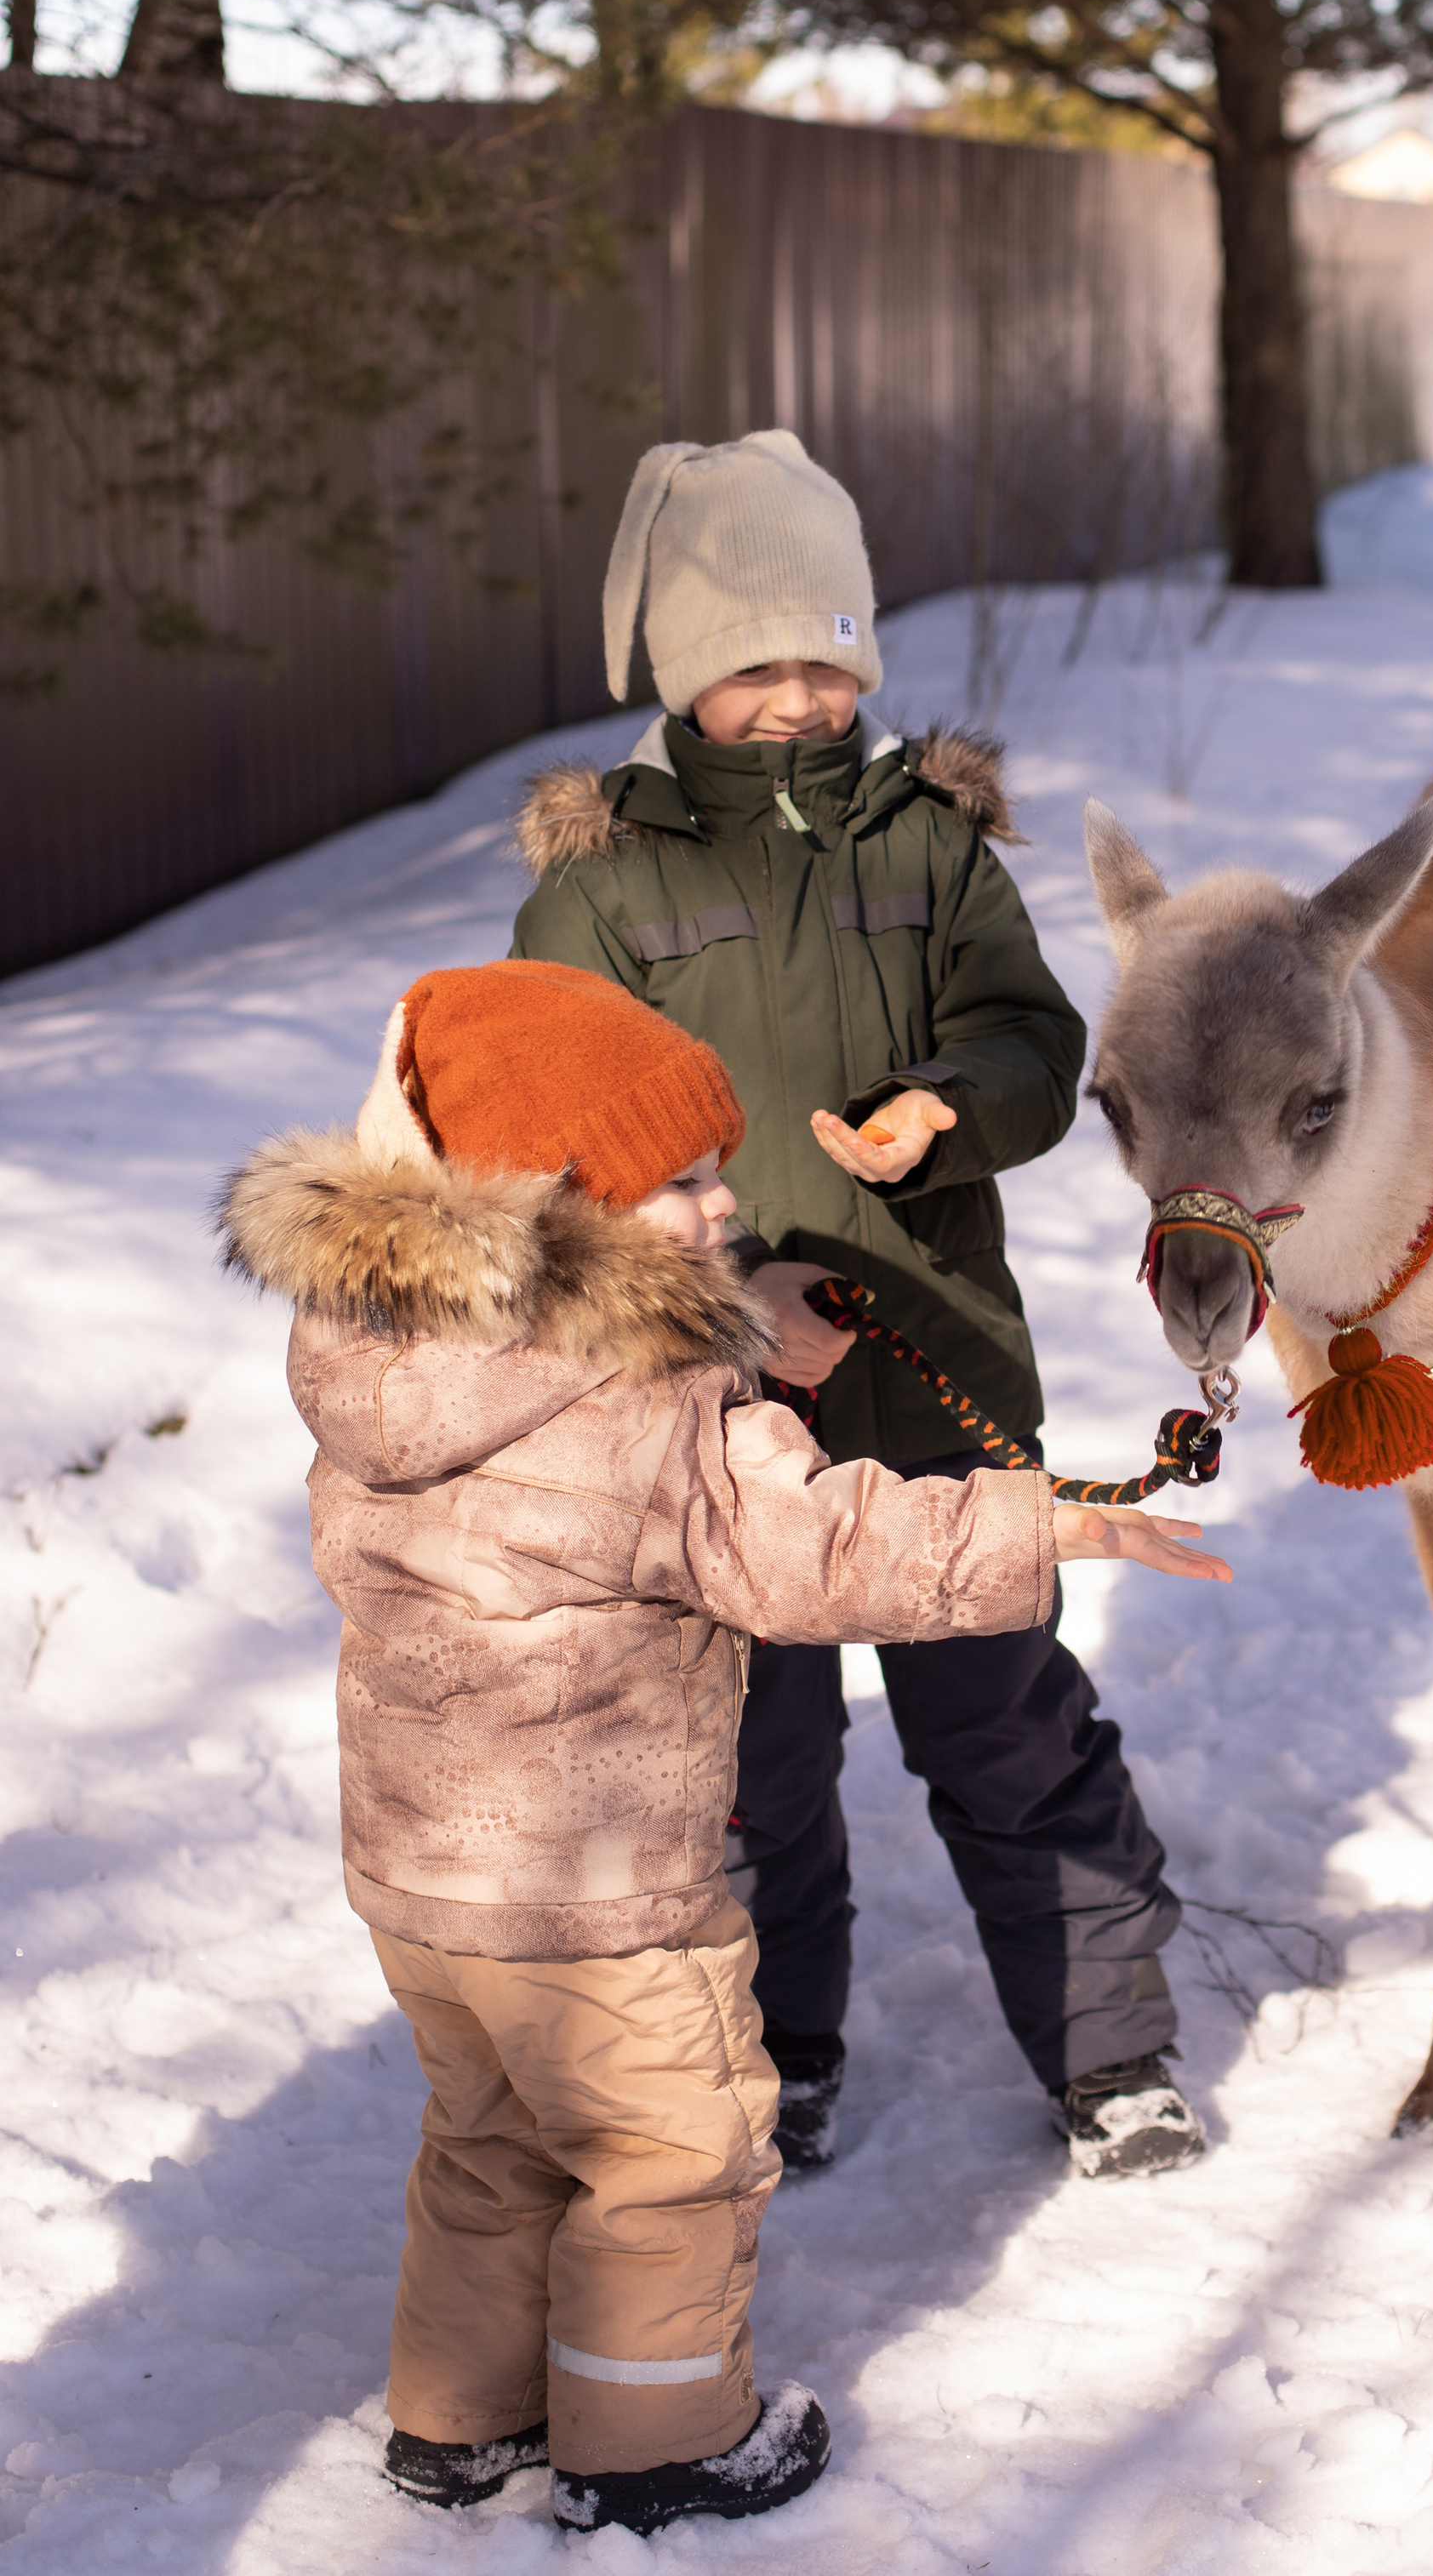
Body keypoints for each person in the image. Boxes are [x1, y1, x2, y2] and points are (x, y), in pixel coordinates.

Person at [219, 959, 1226, 2537]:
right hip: (602, 1889)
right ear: (557, 1204)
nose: (718, 1203)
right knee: (668, 2152)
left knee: (493, 2146)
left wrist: (730, 1345)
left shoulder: (385, 1362)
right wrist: (1049, 1520)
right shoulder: (650, 1413)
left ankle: (456, 2428)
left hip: (424, 1886)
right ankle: (656, 2444)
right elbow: (807, 1547)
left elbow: (572, 1446)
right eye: (676, 1181)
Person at [508, 428, 1204, 2181]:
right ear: (683, 667)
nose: (803, 696)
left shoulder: (930, 843)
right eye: (758, 663)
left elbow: (1039, 1043)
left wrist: (948, 1104)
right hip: (712, 1406)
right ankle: (773, 2046)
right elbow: (547, 1157)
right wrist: (725, 1299)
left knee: (1000, 1719)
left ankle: (1110, 2050)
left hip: (934, 1367)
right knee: (748, 1762)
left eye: (830, 656)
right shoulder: (602, 889)